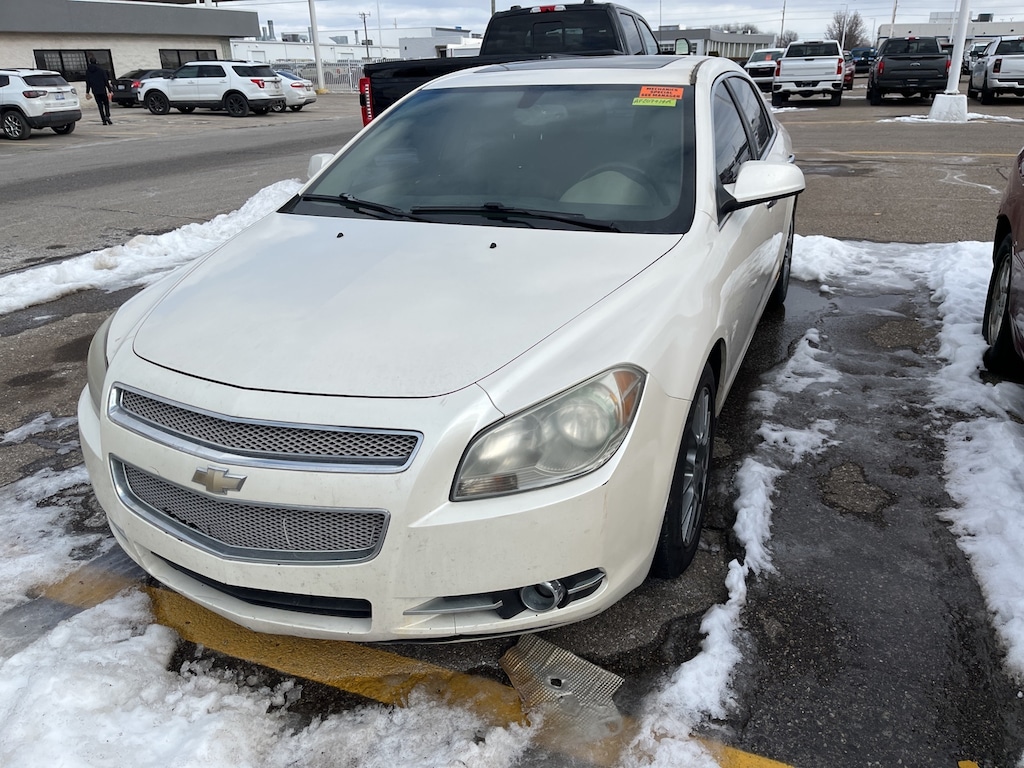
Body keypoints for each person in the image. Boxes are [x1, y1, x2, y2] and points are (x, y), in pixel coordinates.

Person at [84, 56, 113, 125]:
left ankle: (103, 120)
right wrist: (109, 89)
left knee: (100, 106)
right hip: (102, 90)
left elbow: (88, 82)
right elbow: (105, 80)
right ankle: (107, 115)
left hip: (95, 91)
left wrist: (87, 92)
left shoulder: (88, 72)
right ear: (96, 62)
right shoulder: (101, 70)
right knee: (106, 104)